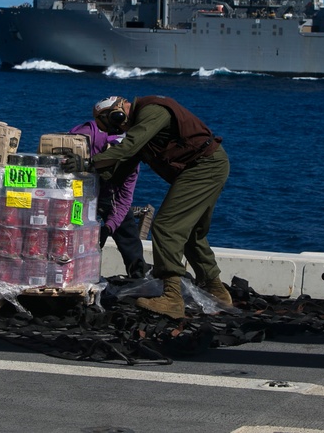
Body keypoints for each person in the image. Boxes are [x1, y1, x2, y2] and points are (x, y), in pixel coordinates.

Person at [89, 95, 231, 319]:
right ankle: (217, 291)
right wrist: (85, 171)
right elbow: (118, 171)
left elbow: (128, 147)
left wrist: (90, 162)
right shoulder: (142, 129)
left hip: (205, 166)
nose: (118, 127)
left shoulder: (152, 111)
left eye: (114, 122)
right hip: (202, 168)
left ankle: (172, 298)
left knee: (167, 227)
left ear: (118, 111)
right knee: (191, 233)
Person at [68, 119, 147, 279]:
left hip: (106, 193)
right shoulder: (88, 136)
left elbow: (124, 200)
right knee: (72, 229)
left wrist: (108, 228)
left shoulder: (131, 166)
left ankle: (138, 273)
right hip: (78, 191)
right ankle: (69, 271)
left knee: (126, 227)